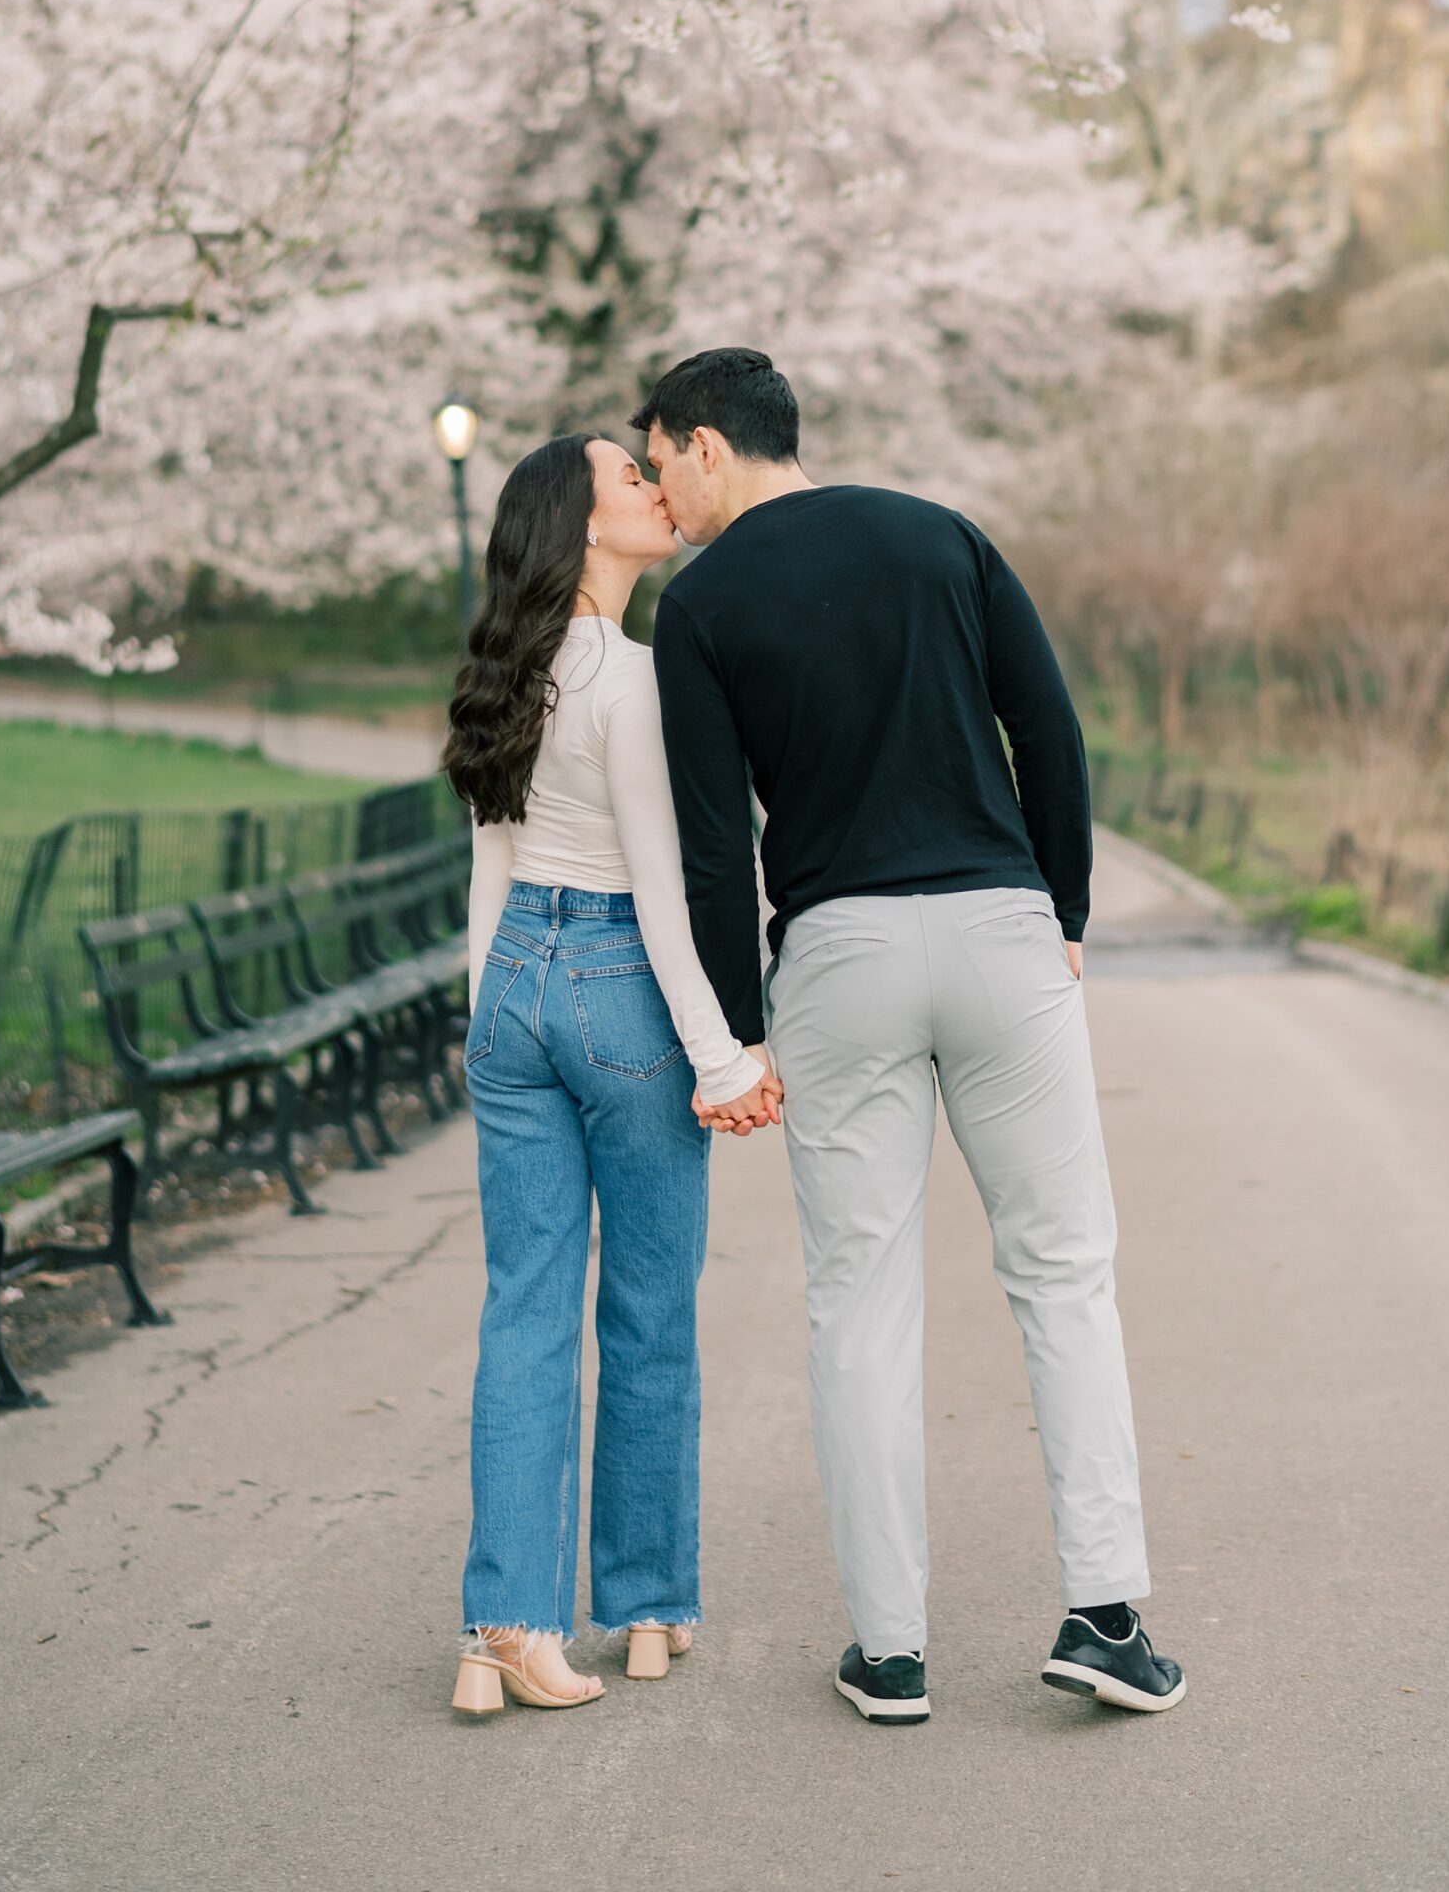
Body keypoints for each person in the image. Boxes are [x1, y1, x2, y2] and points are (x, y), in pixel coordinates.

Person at [632, 348, 1184, 1725]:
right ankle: (1106, 1615)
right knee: (1065, 1274)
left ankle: (890, 1653)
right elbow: (1045, 726)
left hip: (841, 951)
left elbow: (713, 845)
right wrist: (1063, 900)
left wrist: (738, 1034)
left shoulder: (696, 606)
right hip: (1000, 928)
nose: (657, 492)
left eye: (660, 463)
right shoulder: (942, 536)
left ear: (711, 446)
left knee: (860, 1301)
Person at [441, 432, 781, 1720]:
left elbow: (492, 867)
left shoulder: (504, 673)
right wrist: (723, 1056)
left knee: (523, 1310)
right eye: (626, 482)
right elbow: (658, 890)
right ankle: (642, 1606)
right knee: (647, 1309)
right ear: (585, 532)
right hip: (616, 989)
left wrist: (484, 1018)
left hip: (517, 981)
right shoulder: (631, 682)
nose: (653, 488)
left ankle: (502, 1629)